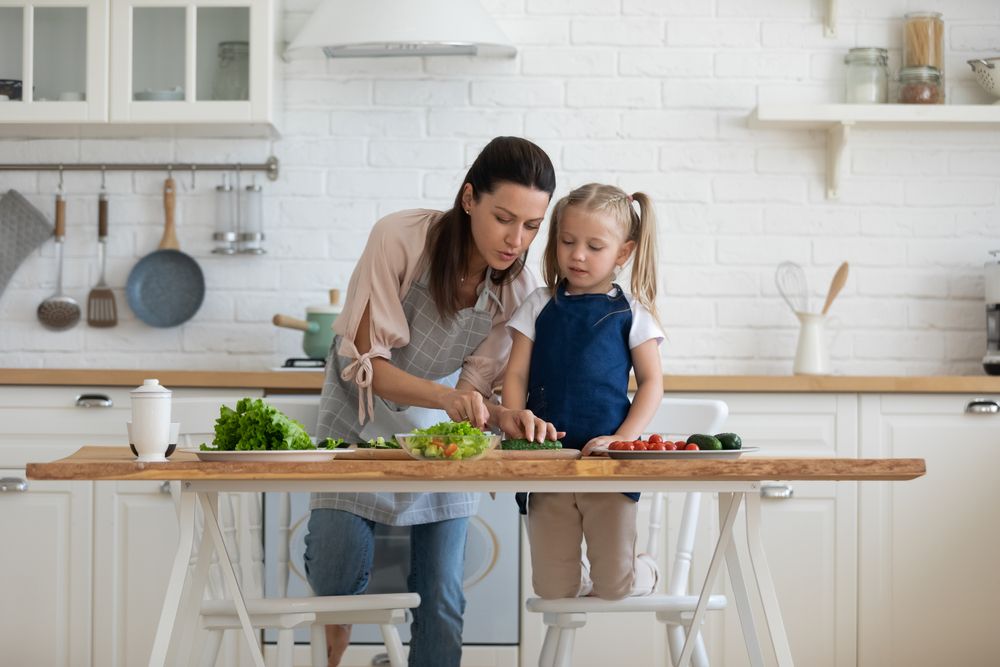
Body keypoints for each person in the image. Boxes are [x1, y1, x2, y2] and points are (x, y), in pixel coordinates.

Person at [304, 136, 560, 667]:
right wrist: (450, 397)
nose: (516, 240)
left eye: (532, 226)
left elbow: (479, 387)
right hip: (359, 412)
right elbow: (367, 366)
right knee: (335, 575)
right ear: (469, 198)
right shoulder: (399, 238)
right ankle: (334, 648)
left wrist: (506, 415)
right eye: (503, 217)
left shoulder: (518, 288)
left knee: (442, 598)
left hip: (441, 436)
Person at [502, 183, 664, 601]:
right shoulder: (538, 304)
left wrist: (624, 439)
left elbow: (652, 383)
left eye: (594, 246)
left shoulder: (631, 311)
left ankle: (644, 570)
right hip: (547, 465)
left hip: (607, 466)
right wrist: (515, 422)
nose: (577, 255)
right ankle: (586, 579)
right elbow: (515, 375)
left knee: (615, 587)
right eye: (568, 241)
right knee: (554, 590)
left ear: (623, 253)